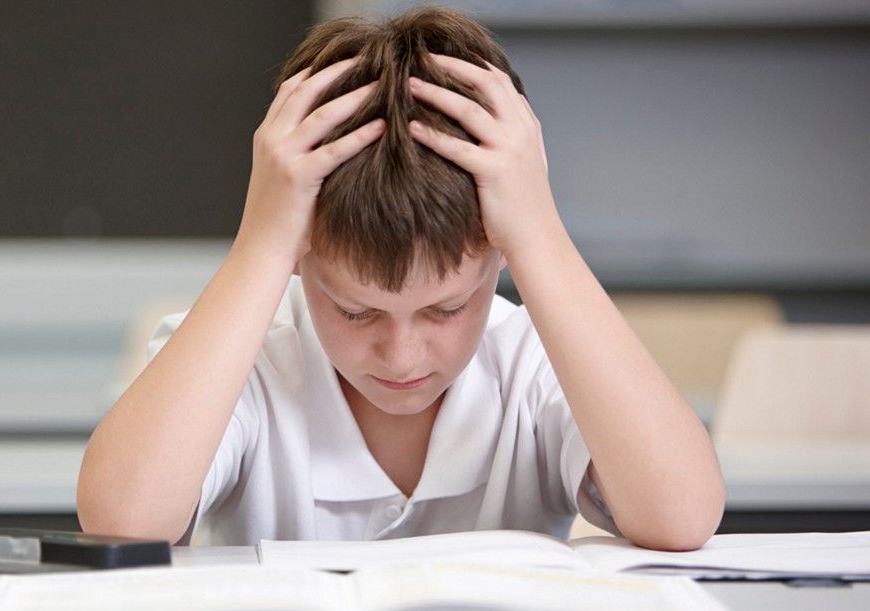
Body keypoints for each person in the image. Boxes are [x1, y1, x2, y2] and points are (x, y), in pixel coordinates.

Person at [77, 7, 724, 550]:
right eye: (356, 311)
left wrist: (540, 234)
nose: (403, 356)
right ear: (298, 258)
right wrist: (260, 245)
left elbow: (682, 515)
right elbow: (122, 525)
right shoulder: (243, 359)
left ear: (502, 252)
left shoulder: (537, 360)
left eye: (447, 308)